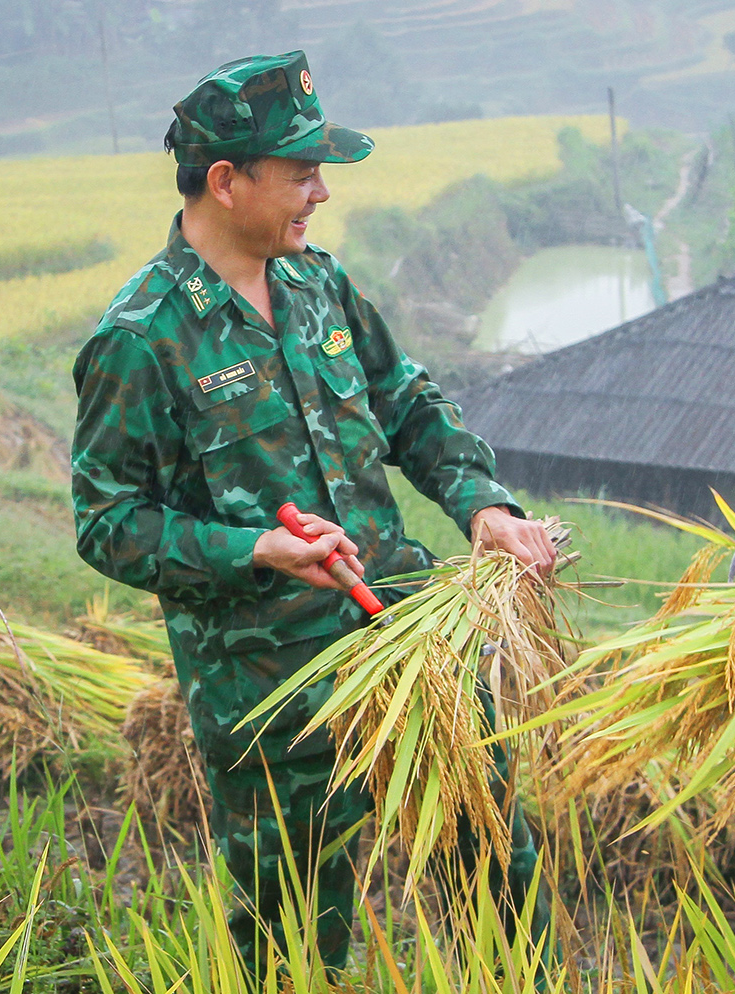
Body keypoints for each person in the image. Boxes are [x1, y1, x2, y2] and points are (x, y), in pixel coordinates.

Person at [70, 52, 555, 977]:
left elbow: (408, 403)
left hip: (408, 639)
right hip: (272, 690)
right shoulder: (143, 339)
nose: (321, 193)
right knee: (291, 941)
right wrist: (255, 548)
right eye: (301, 173)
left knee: (498, 872)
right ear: (226, 180)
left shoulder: (316, 285)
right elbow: (109, 522)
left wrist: (482, 505)